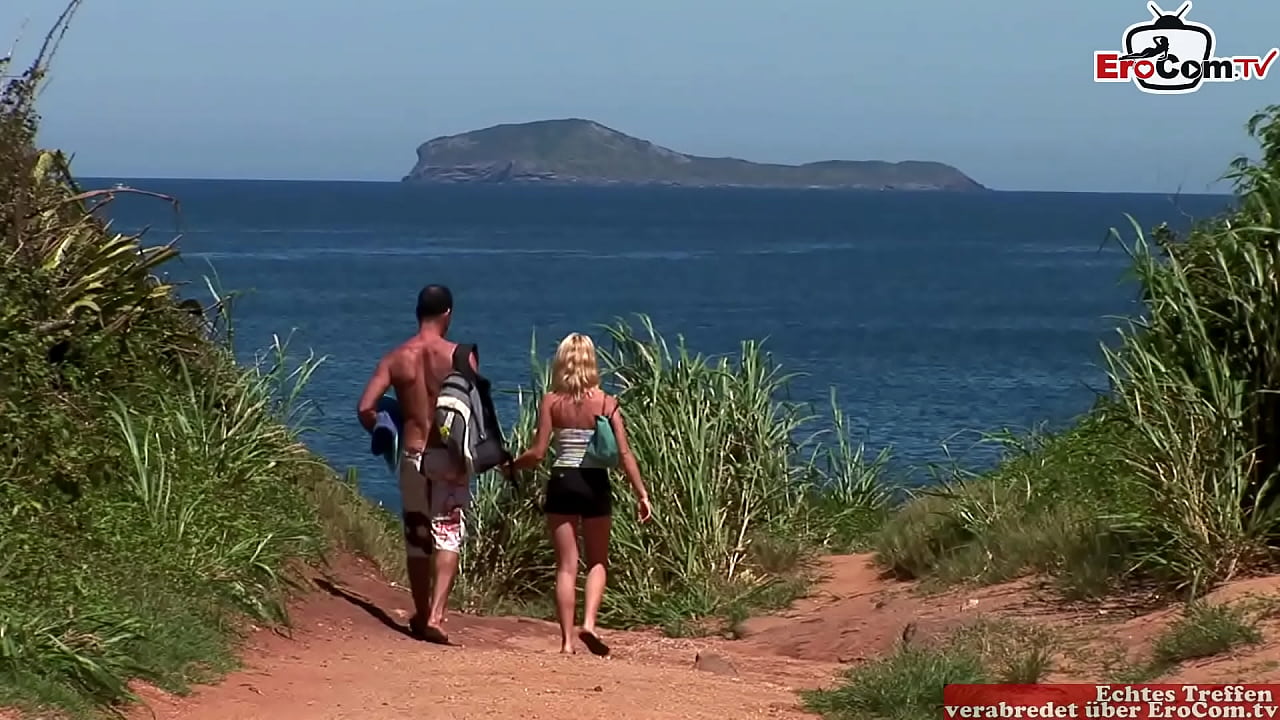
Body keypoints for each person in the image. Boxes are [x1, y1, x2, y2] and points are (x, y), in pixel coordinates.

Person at [512, 332, 653, 656]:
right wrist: (641, 493)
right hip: (595, 483)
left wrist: (512, 465)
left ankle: (565, 643)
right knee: (598, 561)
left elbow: (538, 451)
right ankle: (588, 623)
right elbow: (624, 454)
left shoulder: (551, 401)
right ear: (592, 363)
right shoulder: (606, 403)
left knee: (565, 566)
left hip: (562, 480)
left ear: (561, 362)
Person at [356, 284, 475, 645]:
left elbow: (365, 408)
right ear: (448, 314)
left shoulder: (396, 357)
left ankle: (422, 613)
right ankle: (438, 614)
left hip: (413, 453)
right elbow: (472, 408)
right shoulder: (461, 356)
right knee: (449, 534)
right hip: (449, 457)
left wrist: (387, 425)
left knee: (418, 536)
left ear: (417, 313)